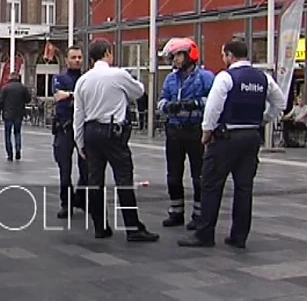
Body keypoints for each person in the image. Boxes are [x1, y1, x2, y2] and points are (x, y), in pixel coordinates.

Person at [178, 40, 285, 248]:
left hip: (226, 138)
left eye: (223, 55)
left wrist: (206, 132)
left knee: (211, 185)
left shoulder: (226, 77)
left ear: (229, 55)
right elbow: (280, 103)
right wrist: (263, 119)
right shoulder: (264, 78)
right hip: (251, 136)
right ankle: (239, 236)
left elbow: (213, 107)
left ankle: (204, 234)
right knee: (244, 188)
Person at [74, 39, 159, 242]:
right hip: (113, 132)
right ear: (108, 53)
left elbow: (78, 114)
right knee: (123, 179)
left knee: (95, 180)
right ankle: (132, 227)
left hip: (91, 131)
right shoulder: (118, 74)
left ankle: (100, 226)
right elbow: (138, 91)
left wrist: (79, 143)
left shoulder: (83, 81)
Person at [157, 37, 215, 230]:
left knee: (199, 176)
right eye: (173, 56)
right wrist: (168, 106)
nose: (174, 60)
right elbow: (161, 101)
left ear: (190, 54)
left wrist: (197, 103)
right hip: (174, 131)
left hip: (195, 131)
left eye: (177, 55)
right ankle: (176, 212)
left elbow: (216, 101)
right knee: (173, 175)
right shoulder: (171, 79)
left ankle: (199, 214)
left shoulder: (205, 77)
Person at [52, 46, 89, 219]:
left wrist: (70, 96)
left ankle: (81, 199)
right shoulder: (60, 78)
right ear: (66, 60)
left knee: (86, 168)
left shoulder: (87, 78)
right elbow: (59, 95)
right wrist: (76, 96)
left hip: (83, 128)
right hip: (65, 128)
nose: (77, 60)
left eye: (80, 57)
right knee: (64, 168)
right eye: (73, 57)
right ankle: (66, 203)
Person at [0, 71, 31, 161]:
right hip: (19, 113)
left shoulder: (5, 88)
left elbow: (1, 101)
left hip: (8, 113)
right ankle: (18, 149)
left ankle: (9, 154)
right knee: (17, 132)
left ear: (10, 77)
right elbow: (28, 99)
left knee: (7, 134)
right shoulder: (23, 88)